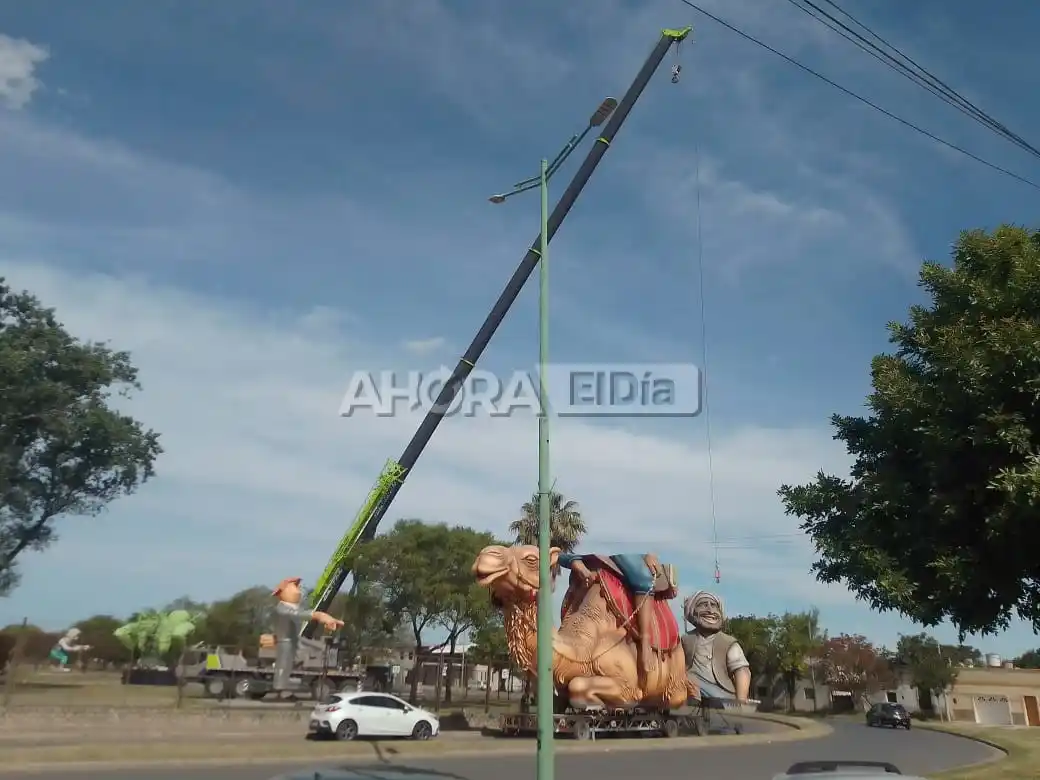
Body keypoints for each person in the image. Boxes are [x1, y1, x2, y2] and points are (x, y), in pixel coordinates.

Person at [557, 551, 666, 673]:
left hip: (623, 553)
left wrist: (647, 554)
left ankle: (645, 641)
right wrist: (573, 560)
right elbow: (556, 553)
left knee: (644, 580)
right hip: (586, 552)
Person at [270, 577, 344, 697]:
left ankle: (289, 685)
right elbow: (300, 615)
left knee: (319, 648)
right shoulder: (282, 609)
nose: (297, 589)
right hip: (285, 641)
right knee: (284, 664)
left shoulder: (294, 607)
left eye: (297, 586)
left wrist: (328, 619)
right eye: (293, 586)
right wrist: (320, 615)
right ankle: (279, 689)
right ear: (282, 592)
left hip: (296, 639)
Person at [680, 590, 751, 703]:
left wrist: (741, 701)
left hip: (722, 696)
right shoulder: (685, 640)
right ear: (693, 612)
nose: (710, 610)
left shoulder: (727, 642)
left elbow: (742, 670)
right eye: (703, 605)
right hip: (690, 693)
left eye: (714, 606)